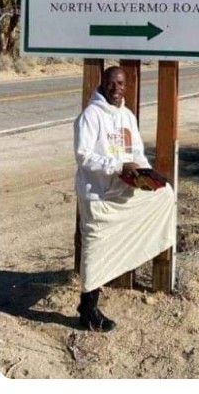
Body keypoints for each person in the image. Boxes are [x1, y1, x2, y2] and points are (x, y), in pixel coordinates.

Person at [73, 66, 175, 332]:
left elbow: (137, 153)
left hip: (123, 191)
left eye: (120, 83)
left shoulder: (128, 116)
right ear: (102, 84)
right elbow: (83, 156)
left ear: (126, 86)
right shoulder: (90, 116)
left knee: (165, 195)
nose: (115, 88)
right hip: (97, 195)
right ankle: (88, 310)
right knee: (94, 251)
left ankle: (91, 304)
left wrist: (146, 174)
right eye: (110, 83)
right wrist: (118, 166)